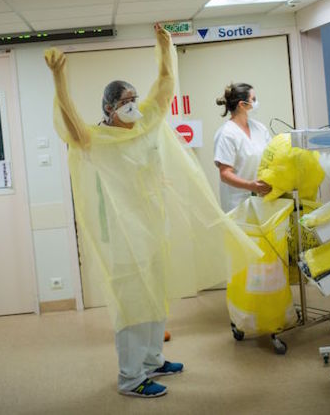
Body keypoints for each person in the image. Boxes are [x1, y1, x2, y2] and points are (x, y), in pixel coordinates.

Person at [45, 25, 261, 398]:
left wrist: (166, 48)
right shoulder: (97, 140)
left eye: (134, 96)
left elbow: (164, 86)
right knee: (132, 302)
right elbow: (69, 124)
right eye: (125, 99)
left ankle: (152, 359)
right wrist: (59, 79)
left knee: (155, 295)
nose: (133, 102)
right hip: (123, 235)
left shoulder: (145, 123)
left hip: (151, 226)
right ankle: (131, 377)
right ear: (109, 109)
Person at [213, 83, 273, 212]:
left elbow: (273, 156)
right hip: (237, 203)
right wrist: (250, 186)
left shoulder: (260, 129)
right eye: (253, 99)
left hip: (262, 198)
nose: (256, 103)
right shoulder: (227, 134)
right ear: (242, 104)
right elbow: (225, 174)